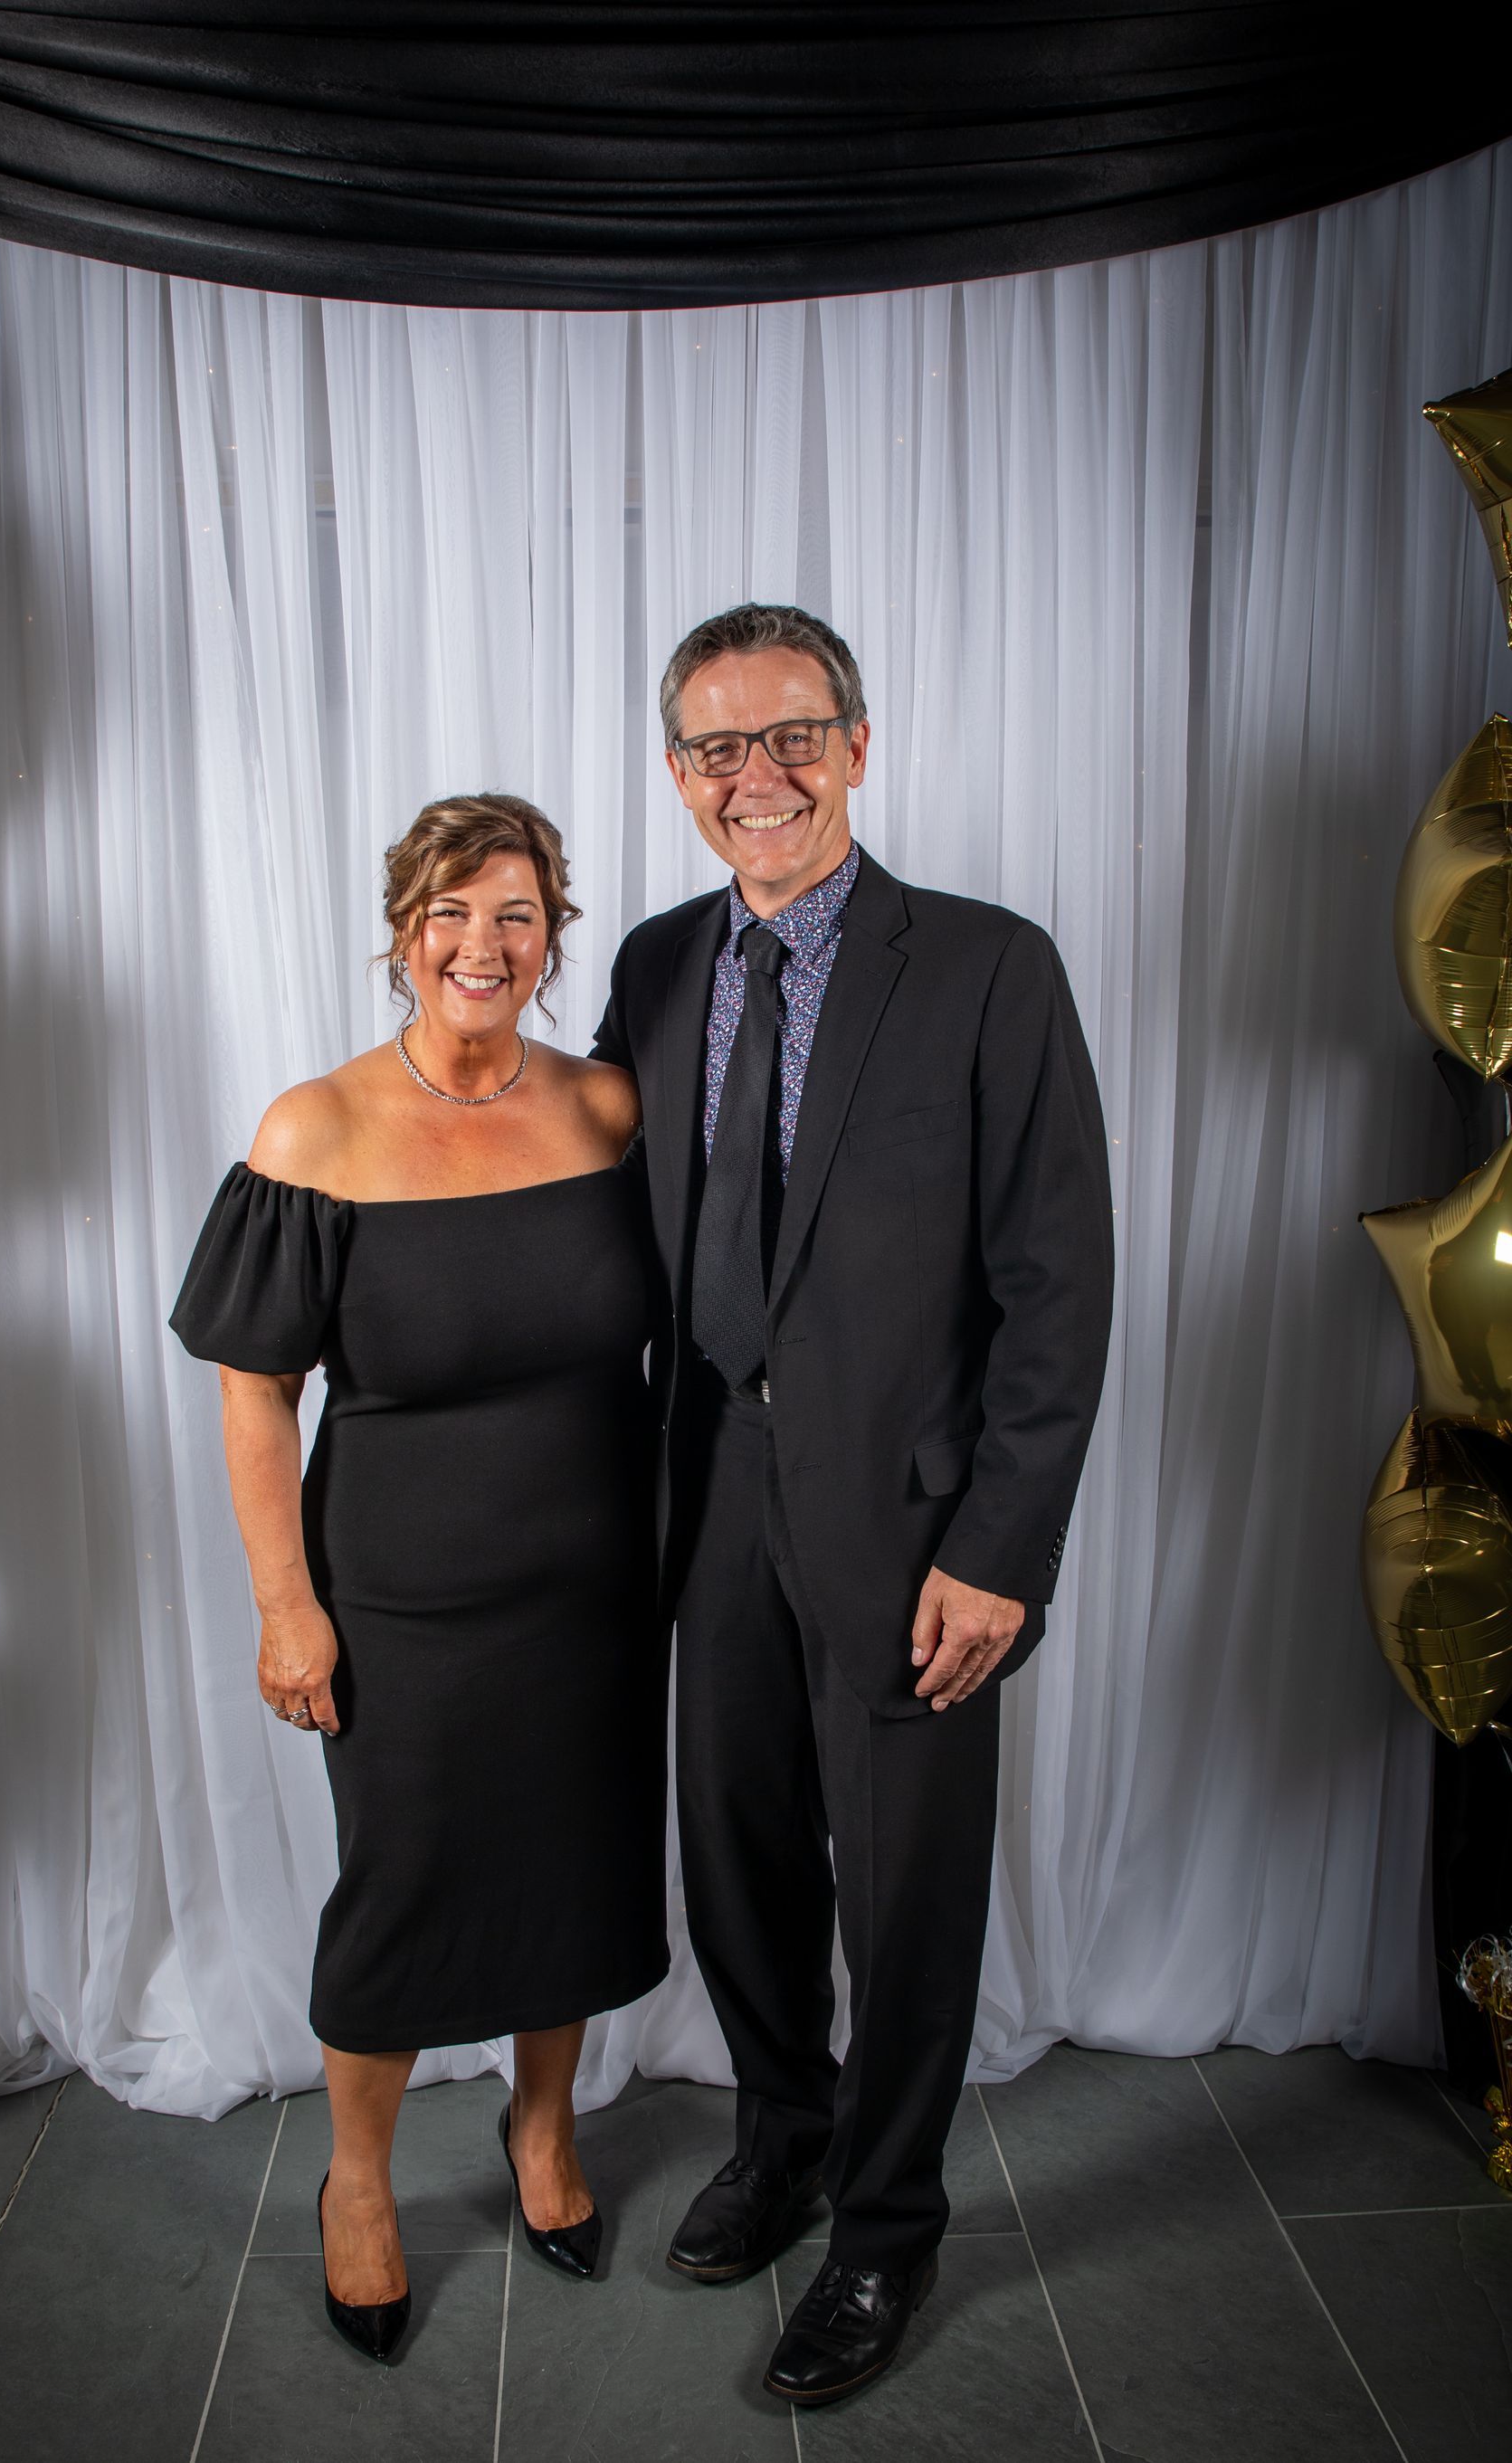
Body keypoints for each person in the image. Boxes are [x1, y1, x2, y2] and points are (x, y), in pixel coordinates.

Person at [593, 604, 1113, 2410]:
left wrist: (1002, 1546)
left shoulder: (984, 965)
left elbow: (1061, 1280)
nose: (760, 777)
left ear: (861, 746)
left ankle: (888, 2224)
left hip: (915, 1522)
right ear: (679, 777)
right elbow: (604, 1232)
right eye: (721, 749)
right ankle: (782, 2131)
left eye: (793, 735)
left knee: (902, 1889)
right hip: (706, 1489)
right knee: (734, 1849)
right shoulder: (657, 968)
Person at [171, 793, 666, 2365]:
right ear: (401, 932)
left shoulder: (605, 1111)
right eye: (450, 912)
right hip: (401, 1595)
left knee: (571, 1863)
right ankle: (363, 2182)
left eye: (514, 913)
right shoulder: (313, 1130)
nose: (481, 944)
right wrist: (283, 1603)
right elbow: (256, 1392)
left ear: (552, 934)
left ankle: (541, 2133)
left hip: (595, 1586)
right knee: (406, 1882)